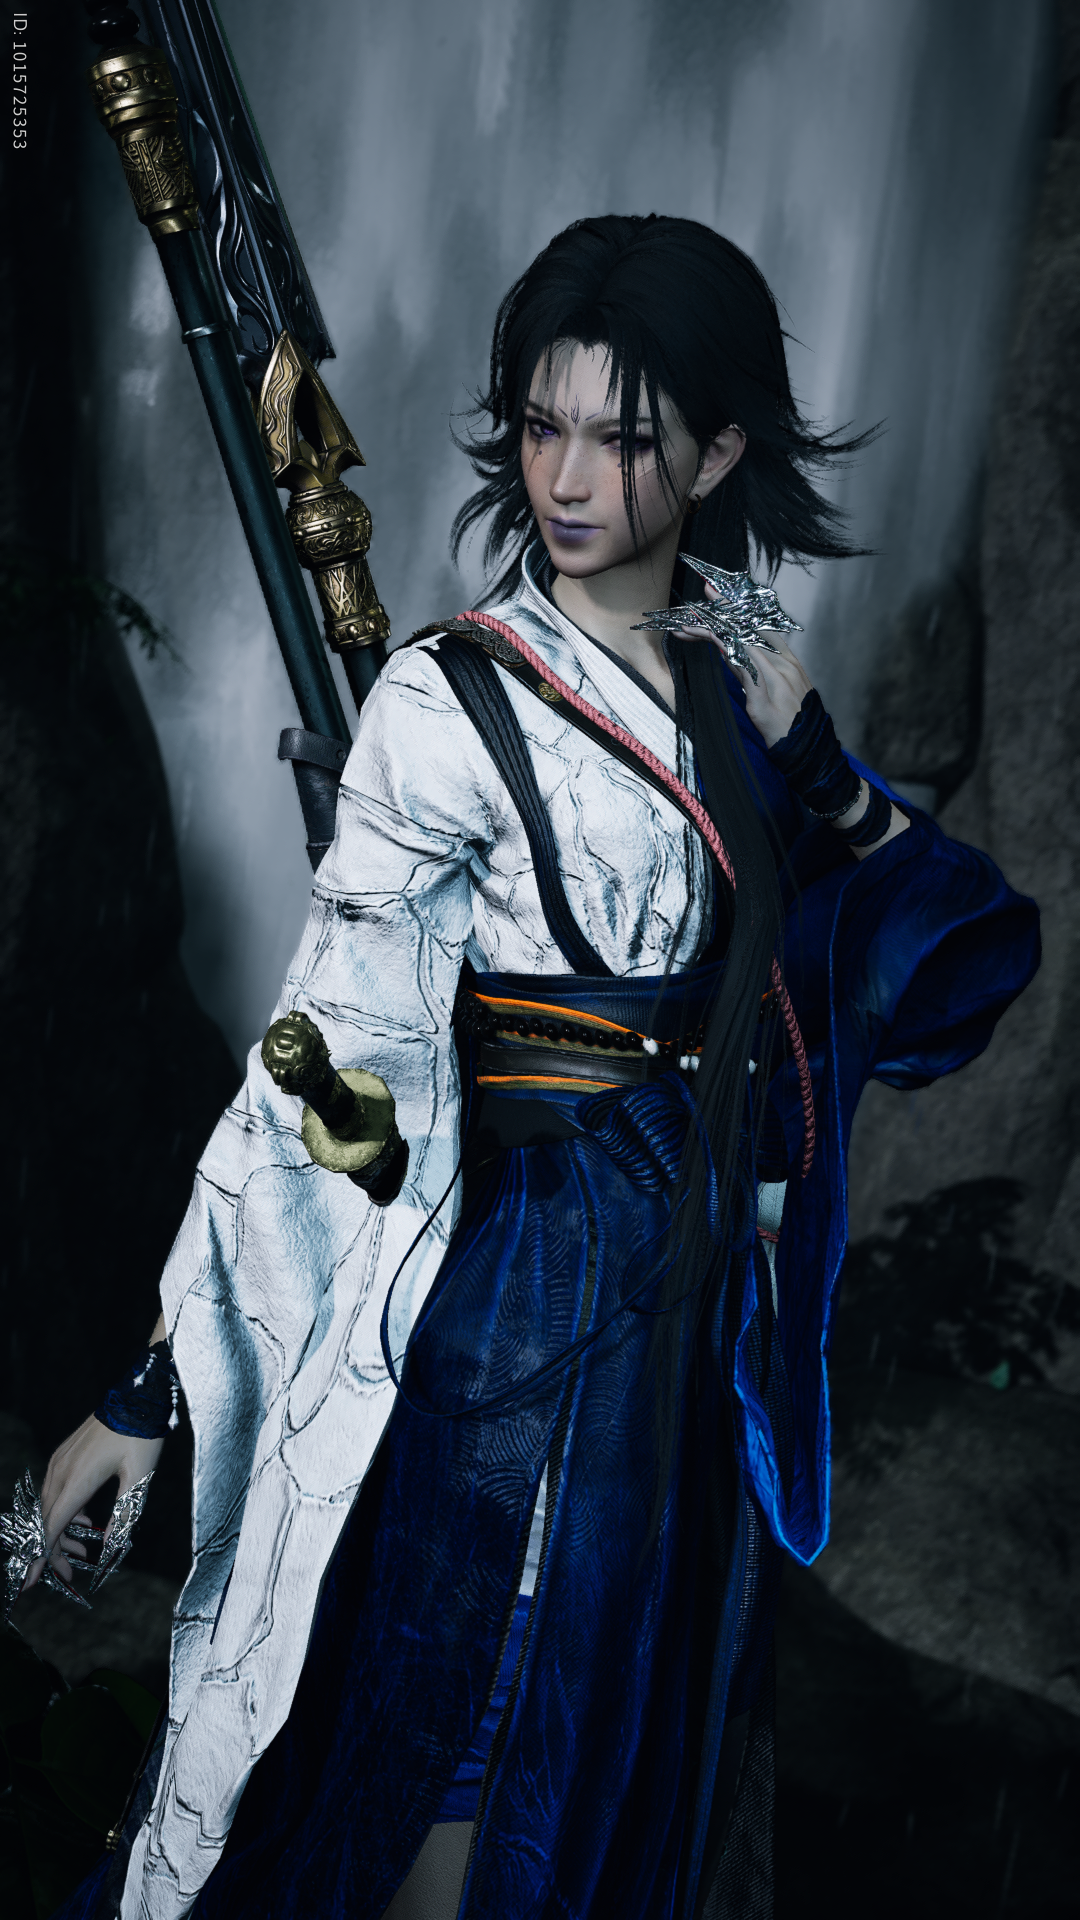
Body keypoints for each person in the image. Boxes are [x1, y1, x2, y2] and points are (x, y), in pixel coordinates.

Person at [24, 215, 1038, 1920]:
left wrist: (828, 777)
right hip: (520, 1306)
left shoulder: (740, 699)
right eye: (542, 426)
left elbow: (957, 982)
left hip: (695, 1328)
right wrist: (159, 1384)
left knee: (633, 1774)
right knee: (462, 1743)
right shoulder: (445, 701)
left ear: (719, 454)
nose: (566, 477)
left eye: (621, 437)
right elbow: (322, 1062)